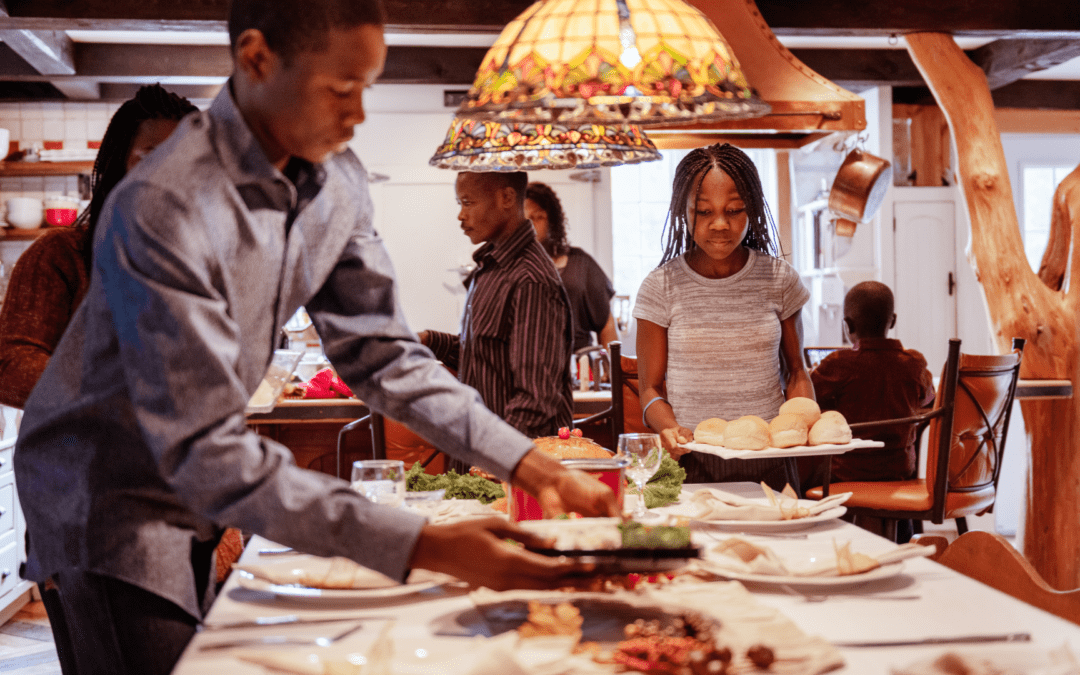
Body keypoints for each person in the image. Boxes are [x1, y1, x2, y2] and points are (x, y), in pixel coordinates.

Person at [13, 2, 616, 672]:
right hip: (103, 496)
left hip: (195, 487)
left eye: (367, 87)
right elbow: (204, 449)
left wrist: (530, 464)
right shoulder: (161, 207)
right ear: (256, 59)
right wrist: (431, 546)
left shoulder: (338, 182)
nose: (357, 114)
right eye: (340, 89)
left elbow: (382, 352)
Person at [0, 85, 197, 409]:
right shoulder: (61, 255)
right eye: (154, 159)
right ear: (115, 167)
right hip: (76, 454)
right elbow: (11, 368)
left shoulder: (197, 264)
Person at [633, 143, 813, 487]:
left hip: (769, 458)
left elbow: (797, 372)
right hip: (694, 459)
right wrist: (669, 429)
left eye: (734, 210)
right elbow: (650, 388)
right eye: (703, 212)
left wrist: (804, 424)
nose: (720, 224)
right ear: (682, 212)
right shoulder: (661, 286)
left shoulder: (779, 279)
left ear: (754, 210)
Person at [421, 171, 574, 451]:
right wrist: (429, 341)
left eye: (468, 202)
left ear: (506, 198)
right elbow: (484, 355)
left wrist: (493, 458)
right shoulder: (489, 268)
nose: (460, 215)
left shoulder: (531, 279)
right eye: (459, 203)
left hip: (515, 467)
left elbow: (535, 399)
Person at [810, 281, 935, 485]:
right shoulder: (914, 364)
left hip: (846, 474)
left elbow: (806, 401)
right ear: (892, 321)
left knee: (799, 474)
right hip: (901, 472)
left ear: (847, 325)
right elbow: (929, 402)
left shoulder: (838, 364)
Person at [525, 181, 618, 352]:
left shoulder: (580, 264)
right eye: (527, 219)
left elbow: (606, 325)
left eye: (539, 217)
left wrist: (610, 372)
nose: (533, 225)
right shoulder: (512, 267)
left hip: (579, 363)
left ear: (552, 220)